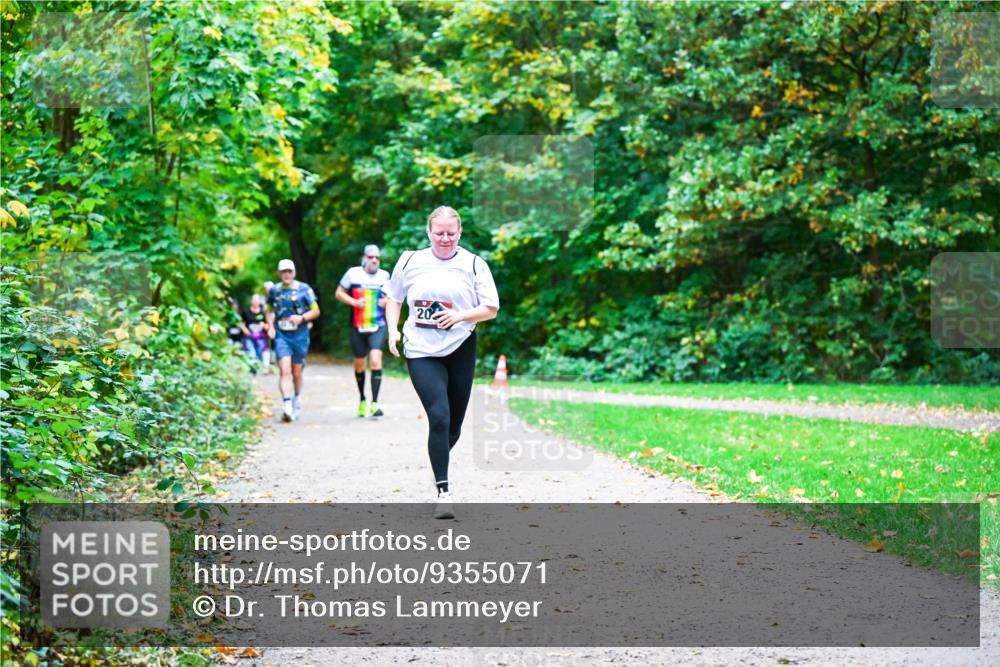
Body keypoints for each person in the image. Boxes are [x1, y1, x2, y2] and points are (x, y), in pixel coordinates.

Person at [385, 206, 499, 519]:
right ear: (429, 232)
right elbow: (394, 297)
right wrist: (393, 329)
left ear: (459, 233)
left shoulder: (473, 264)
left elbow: (491, 308)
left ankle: (438, 458)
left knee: (453, 427)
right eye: (439, 233)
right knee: (438, 416)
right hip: (421, 349)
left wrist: (459, 316)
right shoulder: (410, 260)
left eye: (451, 233)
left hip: (460, 346)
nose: (445, 238)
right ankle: (443, 492)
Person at [335, 244, 390, 418]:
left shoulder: (385, 276)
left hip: (377, 325)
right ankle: (362, 399)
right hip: (357, 325)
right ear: (364, 258)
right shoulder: (353, 273)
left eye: (377, 257)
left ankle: (375, 403)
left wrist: (386, 301)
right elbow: (339, 293)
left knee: (375, 360)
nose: (374, 260)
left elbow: (391, 297)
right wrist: (354, 302)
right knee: (359, 364)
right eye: (371, 257)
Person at [266, 259, 320, 422]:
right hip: (281, 335)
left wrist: (301, 318)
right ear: (279, 274)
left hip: (300, 335)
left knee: (297, 372)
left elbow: (316, 311)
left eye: (289, 271)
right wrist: (270, 327)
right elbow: (269, 310)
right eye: (284, 272)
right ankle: (287, 406)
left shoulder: (304, 289)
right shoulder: (274, 291)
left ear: (294, 273)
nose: (287, 274)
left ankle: (297, 397)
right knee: (284, 370)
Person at [242, 294, 270, 370]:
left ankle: (265, 368)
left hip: (261, 337)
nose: (255, 301)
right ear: (251, 301)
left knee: (261, 351)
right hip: (249, 336)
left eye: (257, 300)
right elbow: (241, 322)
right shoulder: (246, 311)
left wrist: (264, 325)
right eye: (254, 299)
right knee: (251, 352)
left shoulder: (263, 312)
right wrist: (244, 329)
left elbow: (268, 325)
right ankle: (253, 370)